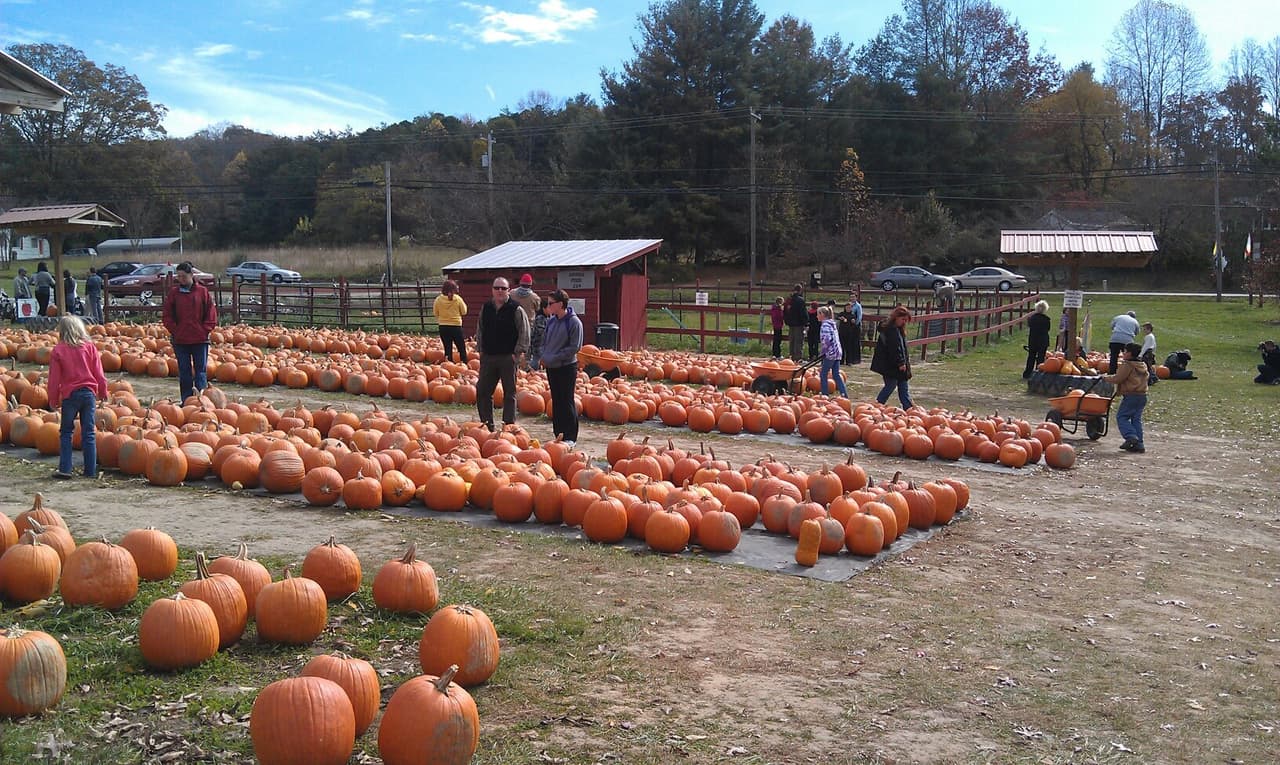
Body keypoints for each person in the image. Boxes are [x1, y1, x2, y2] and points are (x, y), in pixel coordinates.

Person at [46, 315, 109, 479]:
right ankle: (90, 471)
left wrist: (53, 399)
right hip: (89, 393)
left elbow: (54, 379)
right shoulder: (90, 347)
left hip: (70, 395)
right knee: (89, 432)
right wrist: (103, 391)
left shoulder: (58, 350)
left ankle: (65, 469)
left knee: (66, 432)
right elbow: (99, 373)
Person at [475, 276, 530, 431]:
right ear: (492, 290)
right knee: (483, 391)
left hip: (508, 357)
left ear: (508, 291)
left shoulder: (515, 309)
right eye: (497, 288)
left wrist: (517, 353)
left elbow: (524, 331)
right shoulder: (486, 308)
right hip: (489, 356)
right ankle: (487, 425)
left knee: (509, 393)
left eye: (503, 288)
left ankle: (508, 426)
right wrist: (480, 350)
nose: (500, 291)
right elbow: (480, 329)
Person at [162, 261, 218, 402]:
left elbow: (211, 314)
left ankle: (201, 401)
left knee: (200, 372)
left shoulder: (202, 292)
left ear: (191, 275)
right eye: (178, 276)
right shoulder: (174, 294)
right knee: (184, 373)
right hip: (180, 340)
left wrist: (204, 330)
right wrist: (175, 330)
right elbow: (167, 315)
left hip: (200, 339)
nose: (181, 279)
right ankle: (186, 401)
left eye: (183, 276)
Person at [538, 288, 583, 445]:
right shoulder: (551, 321)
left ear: (561, 304)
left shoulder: (574, 322)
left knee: (566, 400)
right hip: (552, 366)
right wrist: (544, 355)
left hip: (566, 366)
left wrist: (555, 358)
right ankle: (559, 434)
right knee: (556, 401)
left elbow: (574, 347)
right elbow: (544, 342)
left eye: (551, 303)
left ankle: (571, 437)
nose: (548, 306)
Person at [1104, 342, 1150, 453]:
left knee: (1122, 417)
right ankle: (1139, 444)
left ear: (1129, 353)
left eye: (1125, 351)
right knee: (1136, 419)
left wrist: (1105, 378)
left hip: (1131, 395)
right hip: (1142, 395)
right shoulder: (1142, 365)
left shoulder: (1127, 365)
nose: (1123, 353)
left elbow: (1118, 378)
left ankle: (1131, 437)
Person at [871, 305, 914, 409]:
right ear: (896, 317)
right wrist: (901, 362)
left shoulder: (898, 329)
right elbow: (894, 348)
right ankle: (878, 405)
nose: (904, 322)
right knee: (891, 385)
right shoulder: (891, 330)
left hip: (898, 364)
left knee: (903, 387)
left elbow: (901, 347)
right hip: (891, 364)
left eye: (906, 320)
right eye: (903, 319)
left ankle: (908, 409)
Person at [432, 279, 468, 363]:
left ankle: (448, 365)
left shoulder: (438, 299)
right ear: (454, 289)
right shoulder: (458, 299)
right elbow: (464, 311)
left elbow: (435, 313)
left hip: (443, 327)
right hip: (456, 326)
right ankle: (464, 364)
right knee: (461, 347)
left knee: (447, 348)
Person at [818, 306, 847, 397]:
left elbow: (827, 340)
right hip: (837, 352)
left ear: (822, 315)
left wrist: (823, 352)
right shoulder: (832, 324)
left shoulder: (825, 325)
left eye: (817, 314)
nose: (816, 317)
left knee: (823, 375)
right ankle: (844, 395)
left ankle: (825, 395)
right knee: (836, 375)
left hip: (830, 353)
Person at [1023, 299, 1051, 378]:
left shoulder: (1032, 318)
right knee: (1041, 357)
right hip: (1043, 340)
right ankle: (1038, 373)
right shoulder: (1046, 319)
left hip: (1033, 339)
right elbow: (1048, 329)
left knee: (1031, 356)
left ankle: (1027, 373)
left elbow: (1029, 325)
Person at [785, 284, 807, 361]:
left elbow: (785, 311)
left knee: (792, 340)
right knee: (798, 341)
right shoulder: (800, 300)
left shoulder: (788, 300)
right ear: (800, 290)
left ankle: (791, 356)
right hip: (798, 323)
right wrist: (806, 322)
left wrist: (787, 321)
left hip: (790, 323)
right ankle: (797, 357)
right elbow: (803, 313)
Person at [528, 296, 549, 372]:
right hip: (538, 345)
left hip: (543, 346)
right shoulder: (540, 318)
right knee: (536, 362)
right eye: (548, 308)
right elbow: (541, 332)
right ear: (544, 308)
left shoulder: (548, 318)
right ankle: (530, 371)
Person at [841, 297, 862, 364]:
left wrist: (855, 323)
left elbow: (859, 316)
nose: (852, 298)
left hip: (854, 327)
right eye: (851, 297)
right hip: (844, 331)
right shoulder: (843, 313)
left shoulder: (858, 306)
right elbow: (838, 316)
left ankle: (853, 359)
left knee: (854, 343)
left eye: (853, 297)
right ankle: (844, 359)